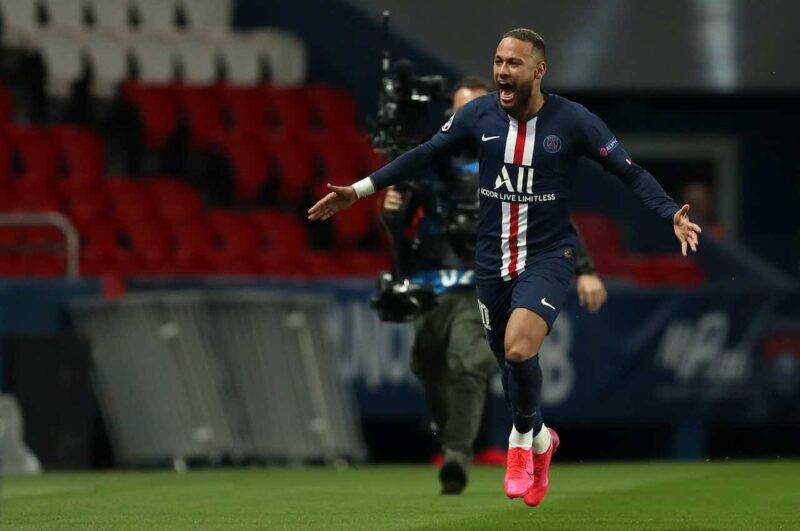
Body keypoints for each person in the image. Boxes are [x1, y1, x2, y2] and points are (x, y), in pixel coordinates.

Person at [309, 28, 701, 507]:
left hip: (548, 256)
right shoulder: (478, 115)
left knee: (518, 349)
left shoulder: (574, 121)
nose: (501, 71)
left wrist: (670, 213)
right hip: (492, 261)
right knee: (510, 366)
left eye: (513, 63)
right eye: (497, 61)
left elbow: (629, 172)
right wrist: (357, 191)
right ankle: (541, 440)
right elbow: (424, 155)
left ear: (539, 70)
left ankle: (518, 443)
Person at [381, 76, 607, 495]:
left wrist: (585, 268)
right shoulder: (433, 160)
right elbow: (399, 225)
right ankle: (468, 439)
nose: (465, 118)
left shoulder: (510, 155)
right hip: (433, 281)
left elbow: (551, 217)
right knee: (428, 364)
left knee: (468, 363)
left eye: (473, 108)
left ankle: (456, 452)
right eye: (458, 110)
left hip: (488, 278)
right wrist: (392, 213)